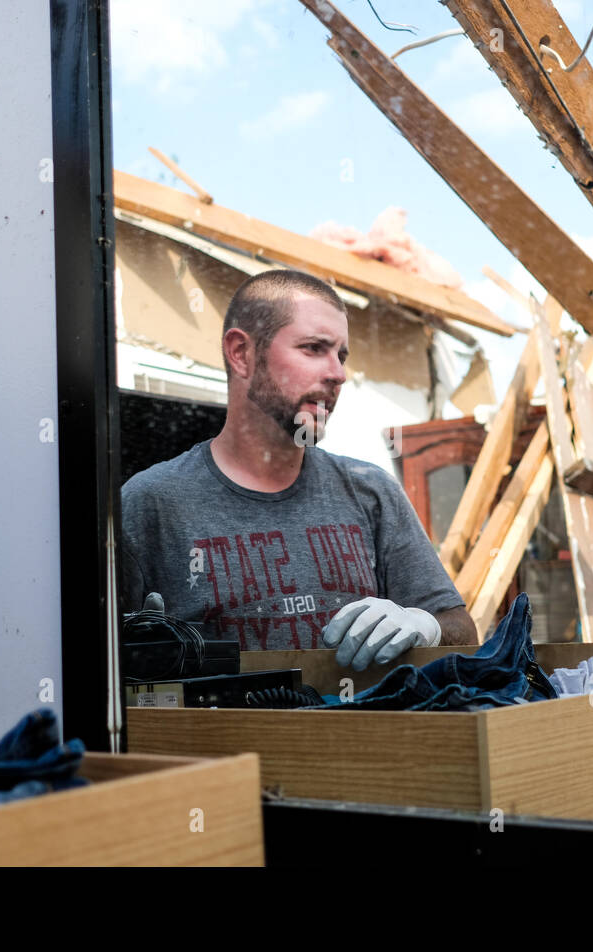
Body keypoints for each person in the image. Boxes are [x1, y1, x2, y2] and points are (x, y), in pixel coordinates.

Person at [120, 269, 477, 671]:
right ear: (242, 354)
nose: (337, 373)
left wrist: (425, 625)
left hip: (365, 734)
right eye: (313, 348)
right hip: (225, 736)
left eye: (341, 355)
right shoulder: (150, 502)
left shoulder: (370, 490)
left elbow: (462, 632)